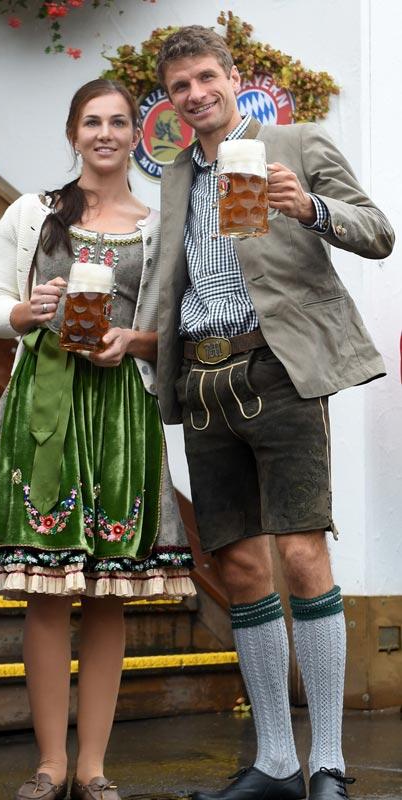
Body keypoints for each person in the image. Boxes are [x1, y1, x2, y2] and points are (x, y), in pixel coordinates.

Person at [154, 25, 394, 800]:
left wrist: (311, 206)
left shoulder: (296, 141)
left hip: (280, 368)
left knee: (301, 557)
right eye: (179, 85)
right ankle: (276, 765)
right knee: (242, 566)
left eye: (204, 77)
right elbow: (169, 275)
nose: (195, 94)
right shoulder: (172, 175)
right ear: (172, 99)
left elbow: (379, 233)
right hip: (201, 378)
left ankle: (326, 762)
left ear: (232, 78)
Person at [0, 79, 195, 800]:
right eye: (93, 121)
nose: (106, 133)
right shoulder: (33, 213)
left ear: (137, 134)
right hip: (43, 404)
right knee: (47, 593)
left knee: (110, 593)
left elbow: (169, 331)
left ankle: (94, 767)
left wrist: (136, 342)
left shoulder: (156, 228)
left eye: (119, 121)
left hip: (119, 411)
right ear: (73, 131)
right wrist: (29, 310)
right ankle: (51, 762)